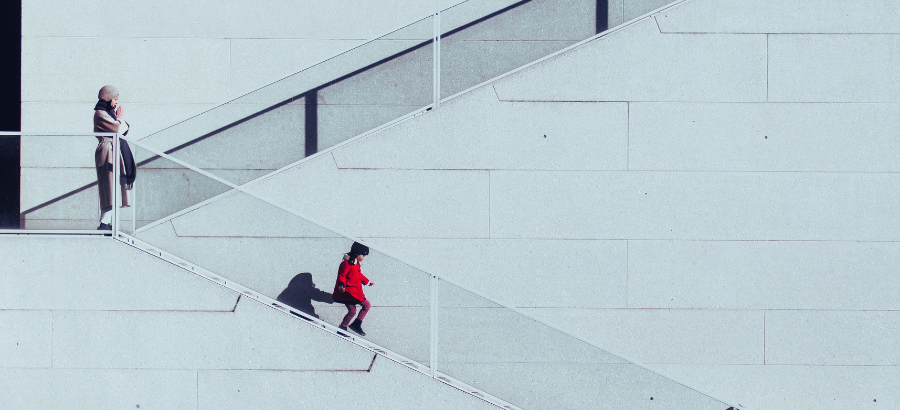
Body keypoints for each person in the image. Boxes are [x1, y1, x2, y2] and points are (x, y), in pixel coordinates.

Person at [93, 85, 136, 230]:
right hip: (107, 151)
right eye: (114, 99)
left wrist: (119, 119)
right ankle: (104, 224)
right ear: (108, 98)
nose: (116, 102)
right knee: (109, 188)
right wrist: (120, 118)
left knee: (114, 188)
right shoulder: (100, 113)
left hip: (113, 150)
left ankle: (106, 223)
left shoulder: (108, 113)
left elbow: (123, 128)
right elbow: (119, 128)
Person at [332, 242, 373, 336]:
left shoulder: (356, 264)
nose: (363, 258)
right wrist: (341, 285)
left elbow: (359, 275)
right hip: (348, 293)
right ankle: (343, 327)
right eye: (363, 255)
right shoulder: (346, 263)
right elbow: (342, 275)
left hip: (355, 292)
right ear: (357, 253)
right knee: (353, 311)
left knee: (366, 306)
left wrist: (367, 282)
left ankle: (356, 324)